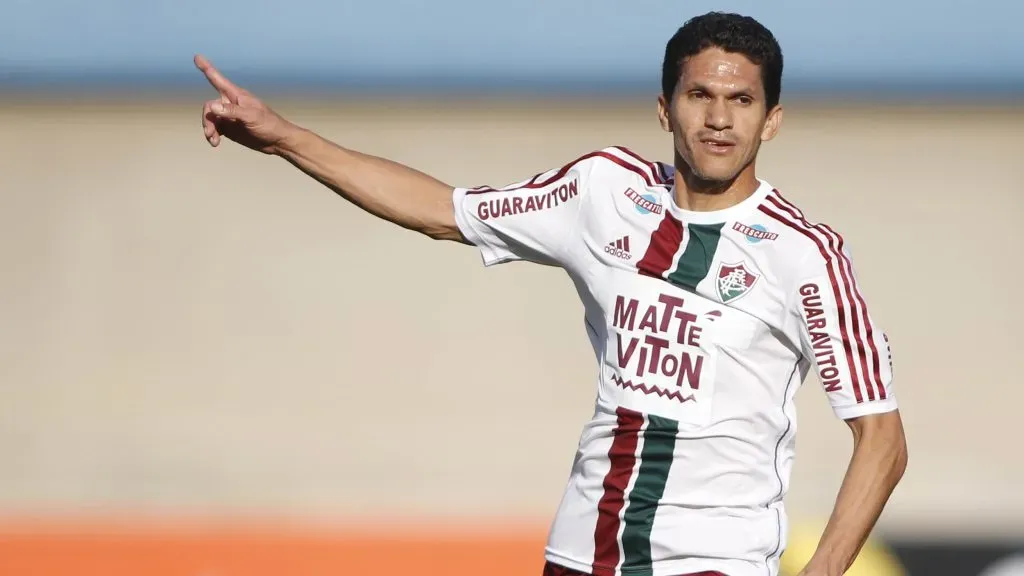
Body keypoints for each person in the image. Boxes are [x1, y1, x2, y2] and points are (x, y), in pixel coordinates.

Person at [195, 11, 907, 576]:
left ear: (771, 119)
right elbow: (442, 210)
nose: (719, 118)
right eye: (700, 95)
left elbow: (882, 438)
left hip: (712, 562)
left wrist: (822, 570)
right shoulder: (602, 190)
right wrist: (284, 138)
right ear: (665, 109)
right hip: (580, 553)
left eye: (741, 100)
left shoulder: (804, 255)